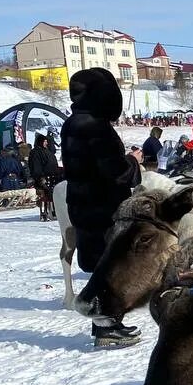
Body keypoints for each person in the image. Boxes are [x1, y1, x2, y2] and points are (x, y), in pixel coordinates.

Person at [60, 67, 142, 348]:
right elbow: (114, 170)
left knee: (100, 265)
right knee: (108, 266)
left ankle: (107, 323)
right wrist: (132, 161)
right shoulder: (95, 126)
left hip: (82, 204)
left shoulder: (72, 122)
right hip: (103, 206)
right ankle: (105, 327)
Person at [28, 133, 60, 221]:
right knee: (45, 196)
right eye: (44, 141)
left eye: (46, 141)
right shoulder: (35, 152)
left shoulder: (47, 151)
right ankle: (44, 213)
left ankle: (54, 212)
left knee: (53, 194)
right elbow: (36, 166)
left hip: (53, 177)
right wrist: (40, 177)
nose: (46, 143)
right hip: (43, 178)